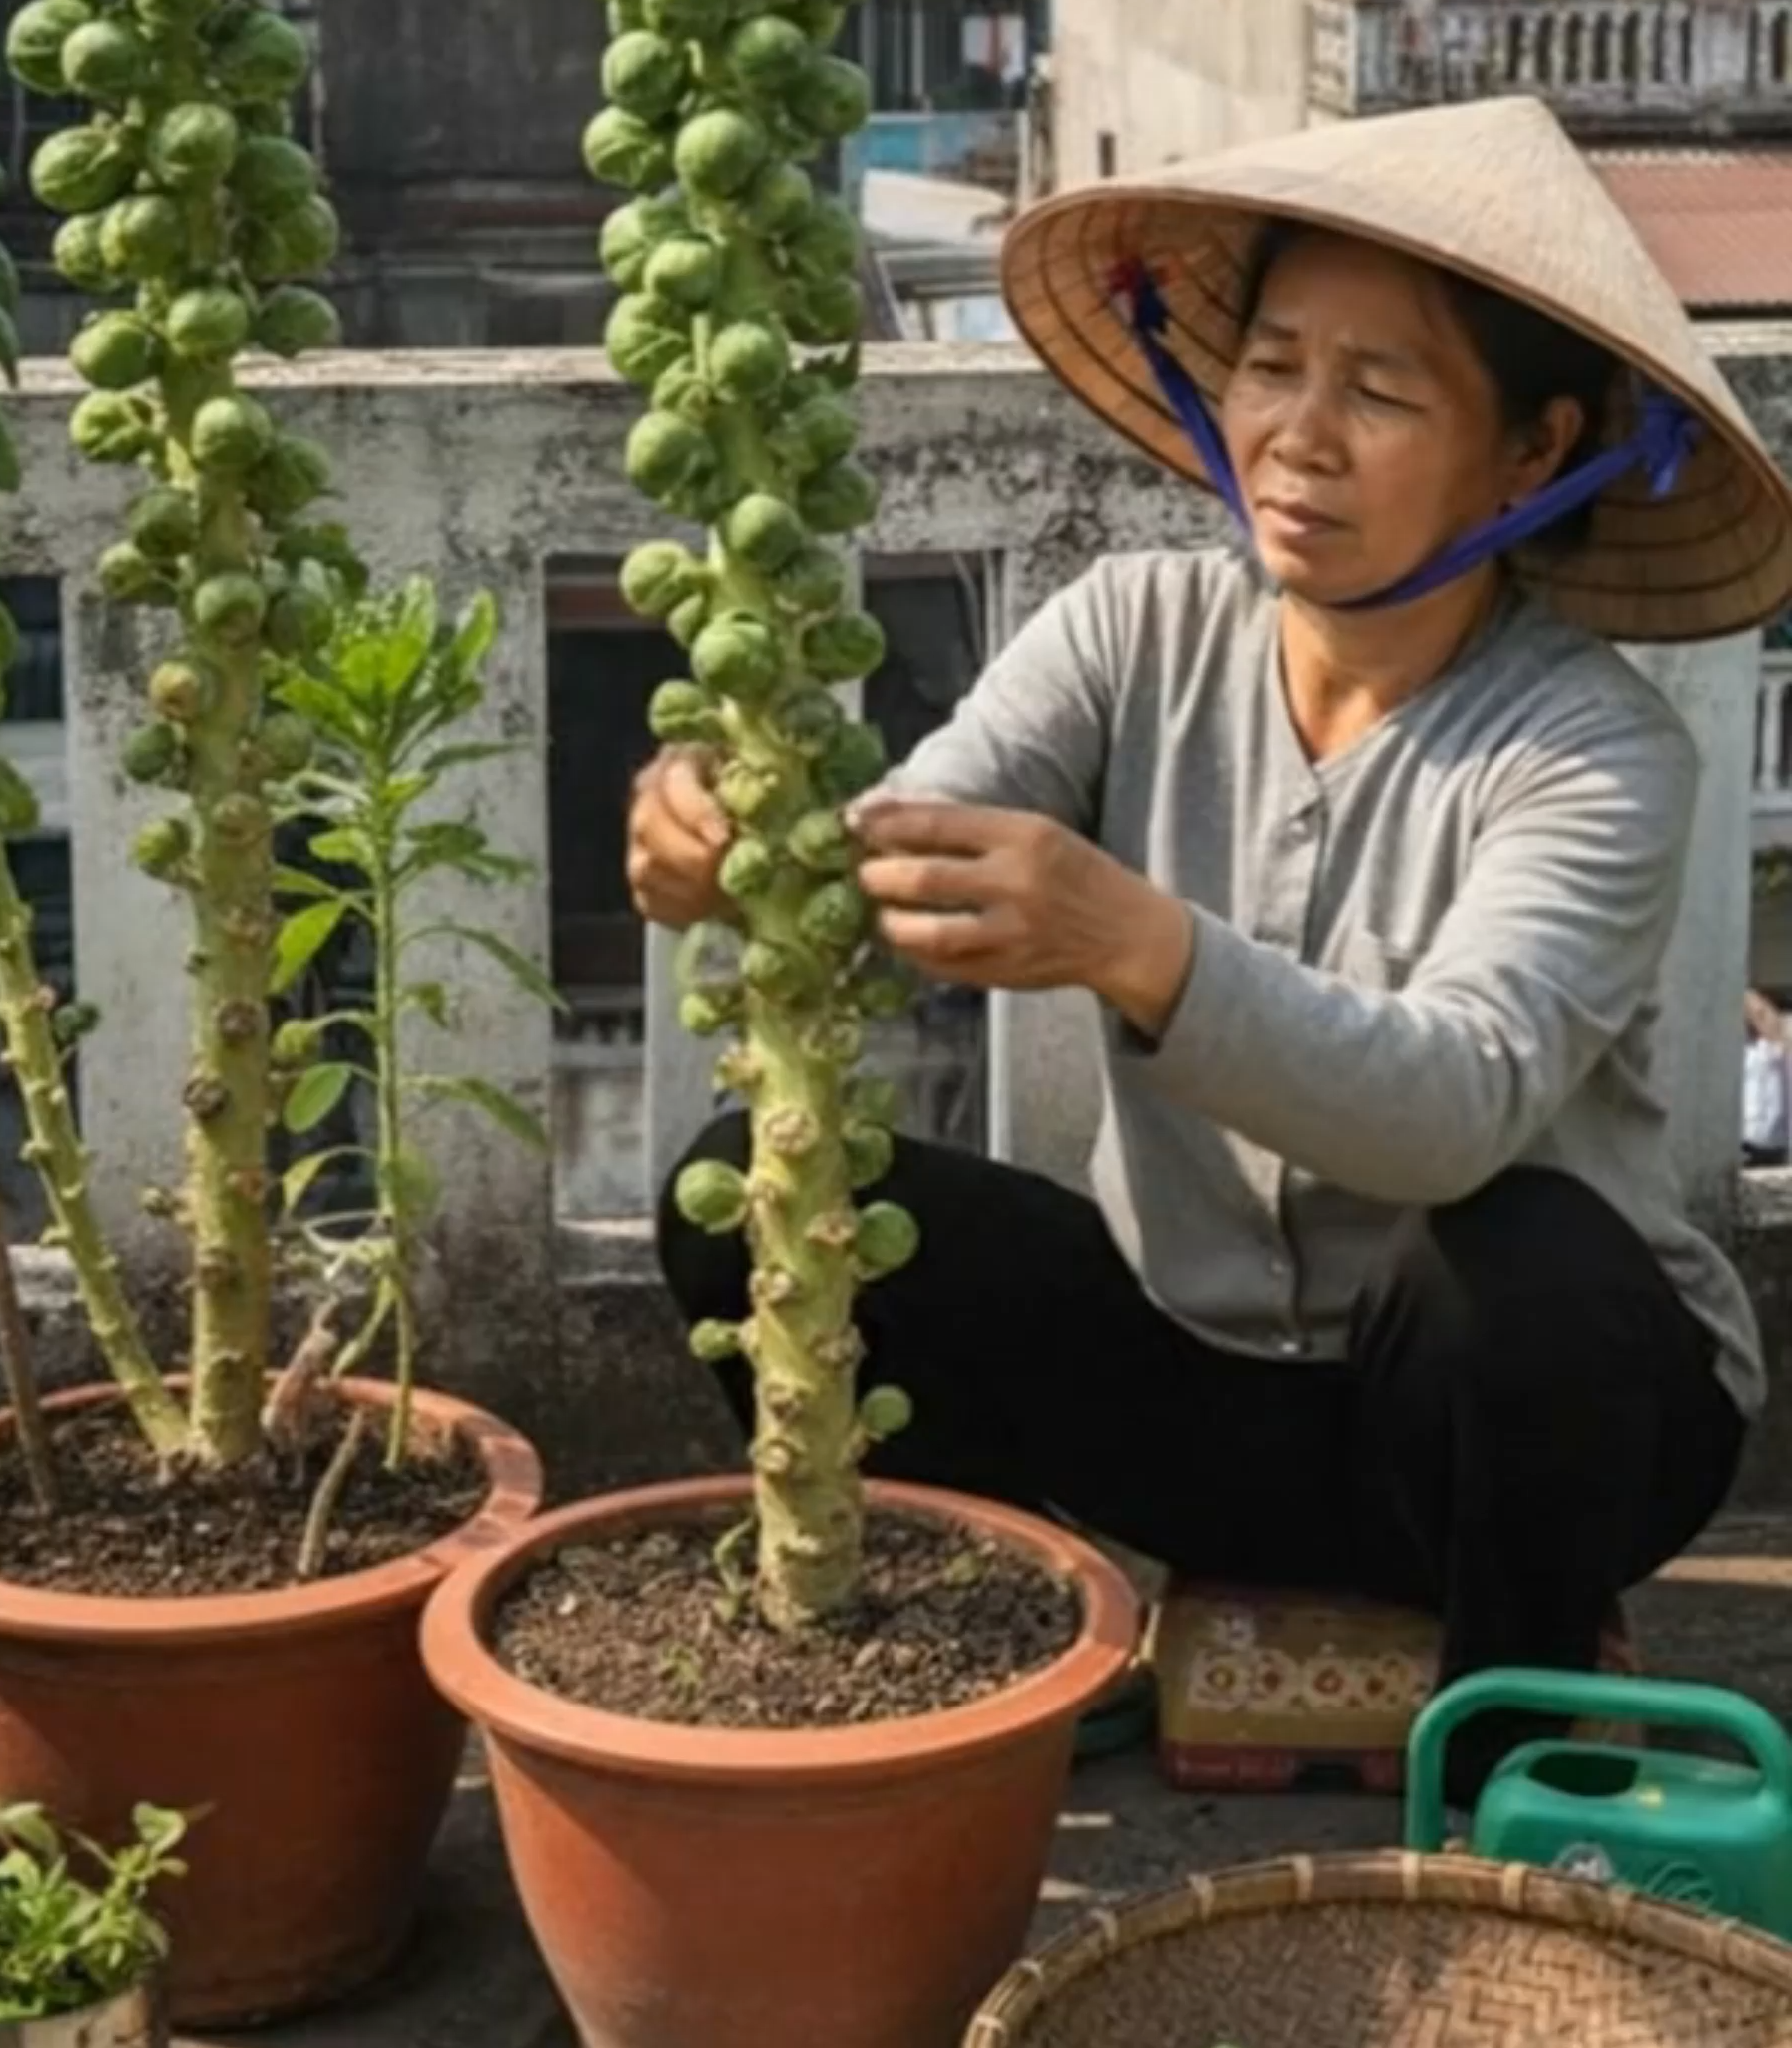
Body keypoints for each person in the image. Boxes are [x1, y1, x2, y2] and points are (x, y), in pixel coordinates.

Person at [631, 98, 1792, 1793]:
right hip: (1204, 1392)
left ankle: (1514, 1750)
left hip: (1518, 1431)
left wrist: (1140, 944)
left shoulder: (1594, 751)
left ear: (1532, 455)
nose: (1300, 435)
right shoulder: (1131, 628)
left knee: (1513, 1270)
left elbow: (1454, 1106)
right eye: (1274, 366)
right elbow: (906, 845)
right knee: (738, 1193)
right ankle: (1019, 1639)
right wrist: (733, 847)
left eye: (1382, 392)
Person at [1744, 992, 1790, 1168]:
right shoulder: (1742, 1051)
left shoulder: (1773, 1049)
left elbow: (1759, 1010)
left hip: (1771, 1144)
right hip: (1744, 1141)